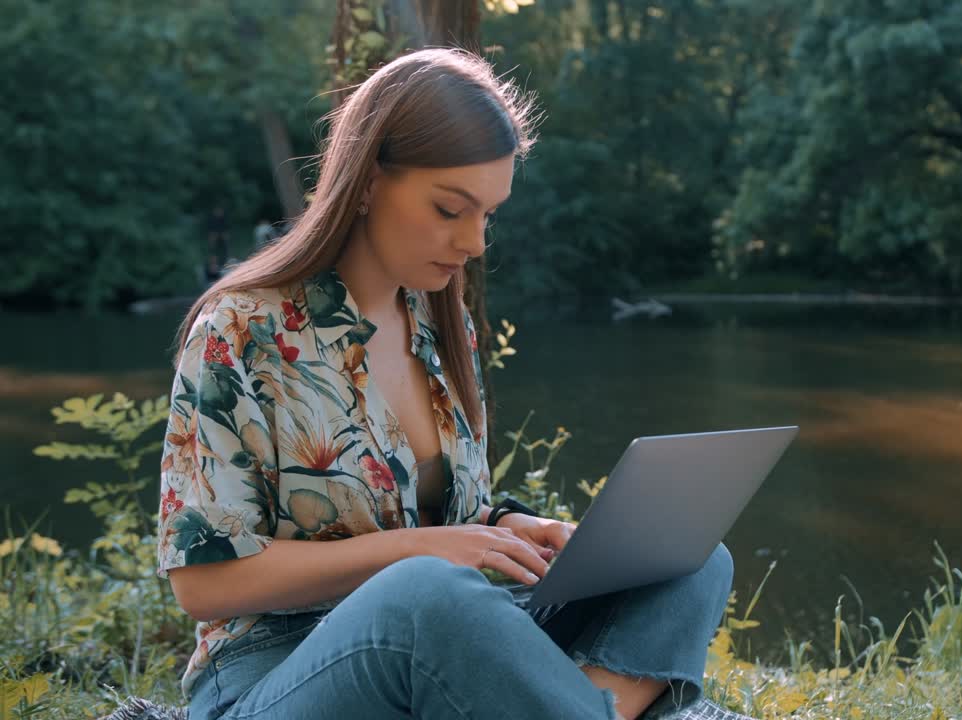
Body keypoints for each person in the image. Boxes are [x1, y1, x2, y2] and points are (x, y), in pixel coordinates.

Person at [156, 48, 747, 720]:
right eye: (450, 209)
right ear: (370, 180)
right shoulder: (241, 328)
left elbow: (452, 520)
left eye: (488, 215)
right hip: (282, 672)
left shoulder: (439, 320)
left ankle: (585, 710)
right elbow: (203, 583)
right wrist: (415, 551)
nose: (475, 242)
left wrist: (518, 528)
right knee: (429, 593)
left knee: (686, 559)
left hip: (442, 637)